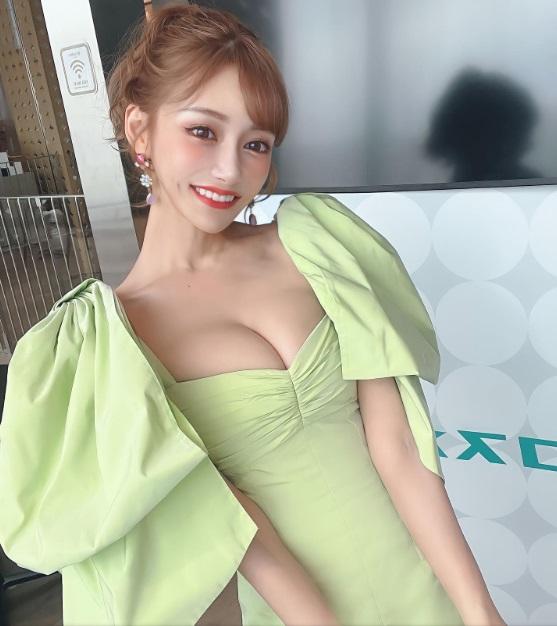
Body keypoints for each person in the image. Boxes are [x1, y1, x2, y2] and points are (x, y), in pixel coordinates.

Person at [0, 3, 507, 626]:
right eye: (202, 131)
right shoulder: (111, 340)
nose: (230, 169)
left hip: (425, 584)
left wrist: (479, 612)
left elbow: (399, 446)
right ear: (139, 130)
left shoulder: (316, 244)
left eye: (256, 144)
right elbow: (239, 528)